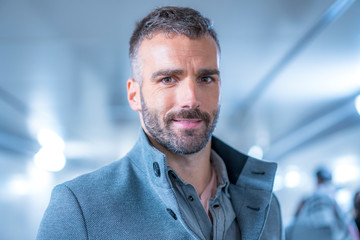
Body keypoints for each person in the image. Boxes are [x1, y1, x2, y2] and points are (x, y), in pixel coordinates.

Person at [37, 6, 283, 240]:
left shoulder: (266, 205)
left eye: (205, 78)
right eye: (168, 79)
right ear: (134, 95)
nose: (191, 99)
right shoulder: (80, 207)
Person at [286, 167, 359, 240]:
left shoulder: (306, 200)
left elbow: (293, 221)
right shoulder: (339, 200)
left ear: (317, 180)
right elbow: (349, 227)